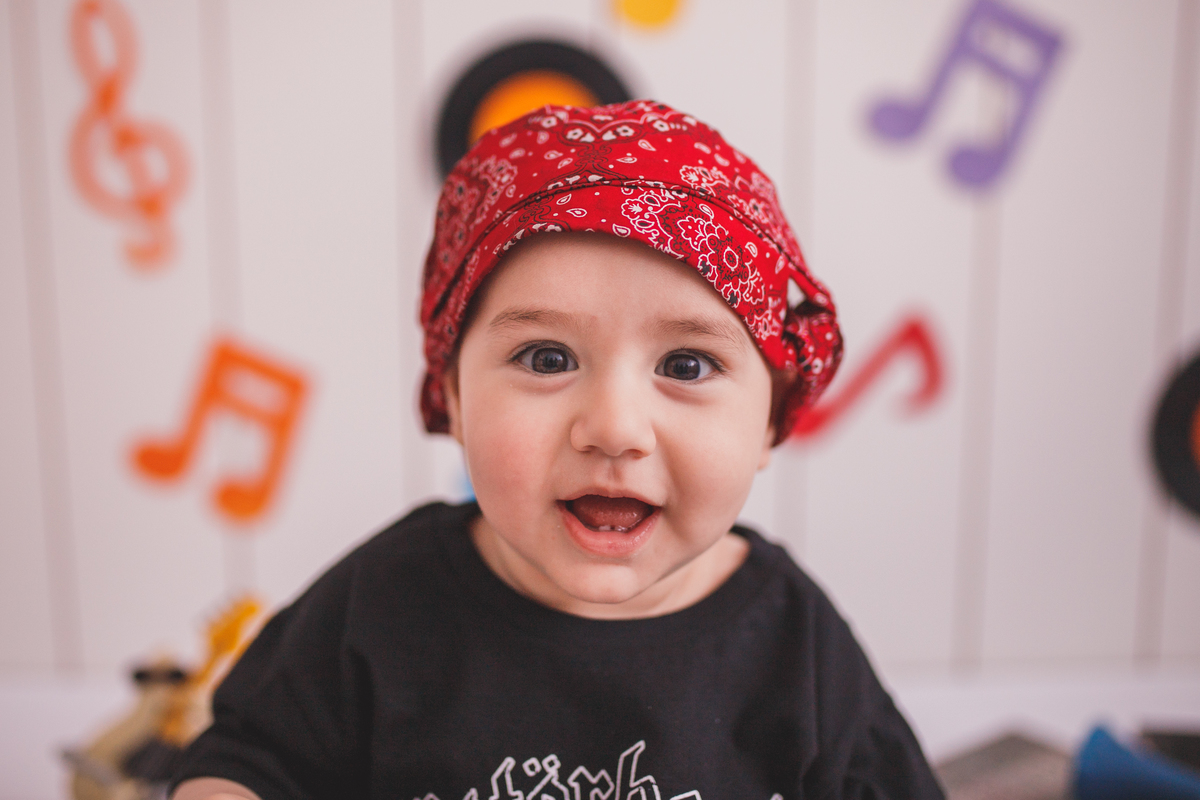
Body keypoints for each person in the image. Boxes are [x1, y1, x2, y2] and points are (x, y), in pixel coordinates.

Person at [170, 100, 944, 800]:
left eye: (685, 366)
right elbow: (244, 761)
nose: (612, 427)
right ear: (456, 396)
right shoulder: (384, 604)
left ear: (772, 421)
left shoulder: (793, 643)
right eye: (547, 358)